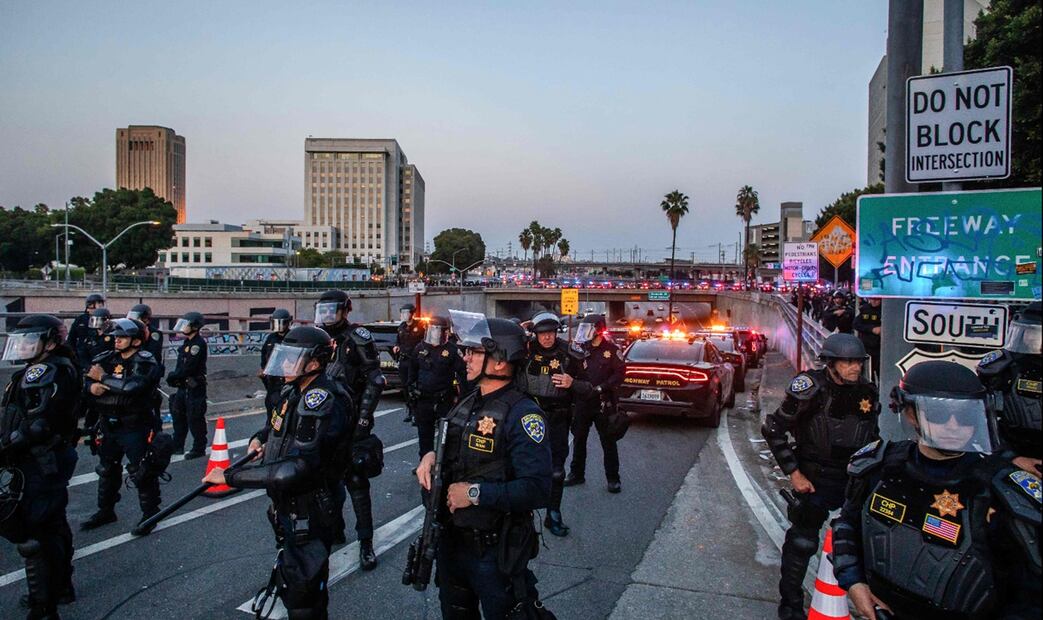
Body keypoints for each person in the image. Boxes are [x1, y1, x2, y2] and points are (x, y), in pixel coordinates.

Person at [832, 361, 1042, 620]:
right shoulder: (879, 466)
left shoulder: (1000, 491)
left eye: (964, 416)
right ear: (910, 413)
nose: (954, 425)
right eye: (941, 413)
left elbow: (1031, 595)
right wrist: (853, 581)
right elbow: (847, 525)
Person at [205, 325, 353, 620]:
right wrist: (260, 439)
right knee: (295, 584)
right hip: (290, 507)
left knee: (303, 596)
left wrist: (231, 477)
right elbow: (277, 425)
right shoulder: (293, 390)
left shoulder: (321, 399)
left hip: (310, 507)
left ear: (314, 363)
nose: (285, 364)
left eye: (292, 357)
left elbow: (297, 468)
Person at [415, 314, 553, 620]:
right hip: (451, 542)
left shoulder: (523, 414)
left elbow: (537, 488)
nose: (465, 357)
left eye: (475, 352)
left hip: (493, 551)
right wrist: (429, 457)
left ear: (501, 360)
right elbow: (451, 449)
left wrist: (476, 493)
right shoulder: (467, 402)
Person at [760, 333, 879, 620]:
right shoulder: (810, 388)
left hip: (853, 479)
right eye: (848, 362)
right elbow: (774, 429)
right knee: (802, 543)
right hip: (814, 477)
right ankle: (790, 604)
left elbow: (871, 435)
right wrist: (794, 473)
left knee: (860, 544)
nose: (855, 368)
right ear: (831, 363)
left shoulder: (867, 390)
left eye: (858, 363)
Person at [0, 315, 80, 618]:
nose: (23, 346)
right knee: (52, 525)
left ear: (50, 342)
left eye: (30, 340)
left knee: (36, 535)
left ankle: (42, 605)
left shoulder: (47, 371)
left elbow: (38, 425)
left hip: (42, 458)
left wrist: (5, 447)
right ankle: (60, 588)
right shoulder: (44, 368)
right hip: (46, 456)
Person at [314, 289, 384, 567]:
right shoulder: (318, 339)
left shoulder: (358, 338)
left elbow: (375, 380)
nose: (328, 316)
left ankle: (366, 542)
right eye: (324, 311)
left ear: (345, 311)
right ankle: (335, 528)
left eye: (333, 310)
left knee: (356, 483)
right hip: (325, 422)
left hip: (353, 420)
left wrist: (364, 420)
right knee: (325, 482)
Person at [80, 318, 164, 532]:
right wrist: (91, 388)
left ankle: (150, 514)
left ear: (136, 341)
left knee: (141, 470)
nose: (117, 340)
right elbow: (88, 377)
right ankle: (106, 510)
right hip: (107, 422)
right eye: (116, 336)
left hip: (134, 425)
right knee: (107, 469)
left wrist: (105, 380)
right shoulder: (106, 358)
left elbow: (133, 387)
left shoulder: (145, 361)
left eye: (123, 337)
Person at [516, 311, 592, 537]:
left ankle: (553, 512)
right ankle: (522, 513)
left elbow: (590, 388)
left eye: (550, 333)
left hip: (558, 417)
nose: (546, 338)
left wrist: (573, 383)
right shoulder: (525, 351)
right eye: (542, 333)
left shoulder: (570, 354)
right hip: (529, 417)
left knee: (557, 470)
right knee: (522, 465)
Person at [977, 301, 1041, 477]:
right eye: (1035, 334)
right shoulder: (1000, 370)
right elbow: (977, 422)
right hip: (1009, 462)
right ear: (1023, 333)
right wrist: (1009, 457)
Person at [565, 314, 625, 493]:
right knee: (579, 439)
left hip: (603, 403)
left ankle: (613, 479)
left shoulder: (612, 351)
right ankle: (576, 473)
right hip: (583, 402)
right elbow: (571, 372)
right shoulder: (581, 350)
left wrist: (601, 388)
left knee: (608, 441)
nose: (584, 333)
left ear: (599, 329)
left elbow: (619, 375)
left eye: (588, 328)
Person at [408, 315, 466, 458]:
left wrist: (461, 396)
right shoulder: (420, 348)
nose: (434, 334)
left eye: (437, 331)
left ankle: (444, 463)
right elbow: (412, 371)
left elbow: (463, 374)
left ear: (445, 332)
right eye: (432, 330)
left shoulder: (451, 350)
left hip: (443, 399)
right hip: (423, 399)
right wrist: (410, 390)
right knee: (424, 433)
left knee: (446, 434)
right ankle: (425, 461)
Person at [166, 312, 208, 458]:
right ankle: (178, 445)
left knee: (195, 417)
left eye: (186, 324)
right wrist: (175, 378)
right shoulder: (187, 343)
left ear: (195, 326)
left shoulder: (198, 344)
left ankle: (199, 447)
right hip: (183, 386)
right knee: (178, 415)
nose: (183, 327)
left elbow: (189, 367)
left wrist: (175, 375)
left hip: (194, 386)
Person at [395, 303, 426, 424]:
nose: (404, 315)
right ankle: (409, 409)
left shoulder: (420, 326)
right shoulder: (401, 327)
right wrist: (397, 347)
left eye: (406, 312)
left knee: (415, 386)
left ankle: (416, 412)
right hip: (403, 360)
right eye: (402, 312)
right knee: (405, 386)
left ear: (412, 314)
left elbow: (423, 342)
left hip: (414, 361)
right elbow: (398, 340)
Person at [259, 308, 293, 413]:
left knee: (282, 410)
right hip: (272, 380)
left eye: (281, 323)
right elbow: (264, 353)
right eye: (276, 323)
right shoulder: (271, 338)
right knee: (270, 407)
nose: (279, 326)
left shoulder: (292, 337)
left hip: (285, 380)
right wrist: (263, 369)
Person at [68, 293, 105, 369]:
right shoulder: (80, 320)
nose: (99, 307)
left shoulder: (105, 319)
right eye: (96, 304)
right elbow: (71, 338)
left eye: (100, 304)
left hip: (98, 353)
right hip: (81, 354)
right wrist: (73, 354)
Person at [127, 304, 165, 372]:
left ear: (145, 319)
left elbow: (153, 352)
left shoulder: (154, 333)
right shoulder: (134, 331)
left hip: (150, 366)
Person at [852, 297, 881, 381]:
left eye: (877, 299)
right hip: (866, 345)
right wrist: (871, 329)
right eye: (872, 299)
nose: (874, 301)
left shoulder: (885, 310)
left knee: (879, 370)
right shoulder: (865, 309)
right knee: (866, 371)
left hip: (880, 346)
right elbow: (856, 324)